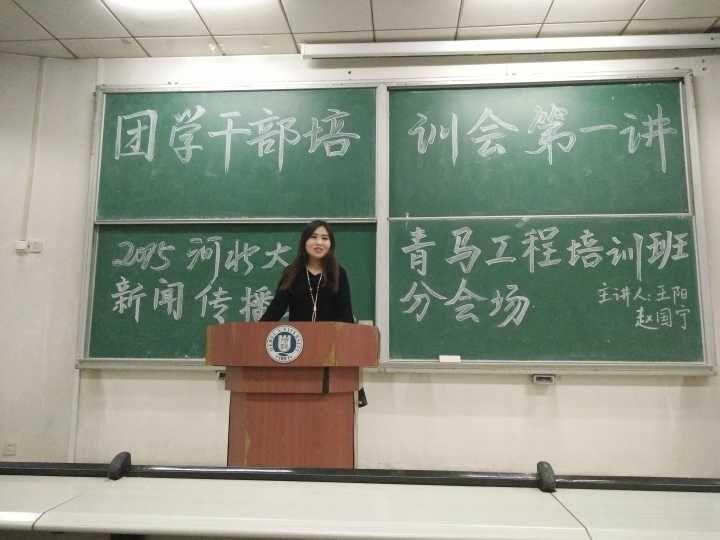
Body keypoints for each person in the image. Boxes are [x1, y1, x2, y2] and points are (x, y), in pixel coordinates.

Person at [260, 220, 354, 323]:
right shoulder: (292, 272)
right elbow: (276, 309)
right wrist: (257, 329)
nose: (319, 242)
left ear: (331, 244)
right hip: (298, 333)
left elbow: (346, 314)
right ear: (304, 241)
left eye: (324, 238)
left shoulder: (338, 273)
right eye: (313, 237)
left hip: (330, 333)